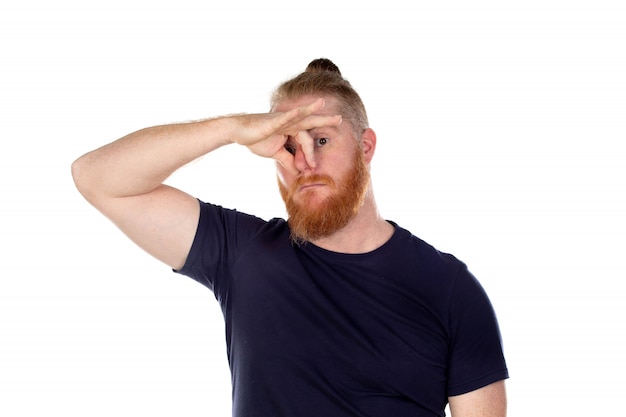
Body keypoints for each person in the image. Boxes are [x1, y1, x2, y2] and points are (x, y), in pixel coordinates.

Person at [72, 58, 509, 417]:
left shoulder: (449, 288)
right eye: (287, 145)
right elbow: (98, 178)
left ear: (366, 146)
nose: (305, 161)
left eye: (321, 139)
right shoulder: (244, 254)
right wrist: (231, 128)